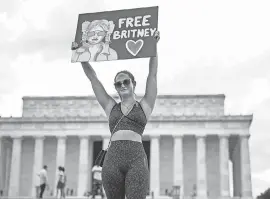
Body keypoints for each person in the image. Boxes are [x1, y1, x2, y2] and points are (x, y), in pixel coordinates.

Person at [72, 30, 160, 199]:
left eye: (126, 81)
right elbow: (94, 79)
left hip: (136, 158)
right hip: (113, 159)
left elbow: (153, 75)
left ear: (133, 83)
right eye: (118, 83)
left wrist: (154, 46)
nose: (122, 85)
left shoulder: (145, 105)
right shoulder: (110, 106)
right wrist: (81, 55)